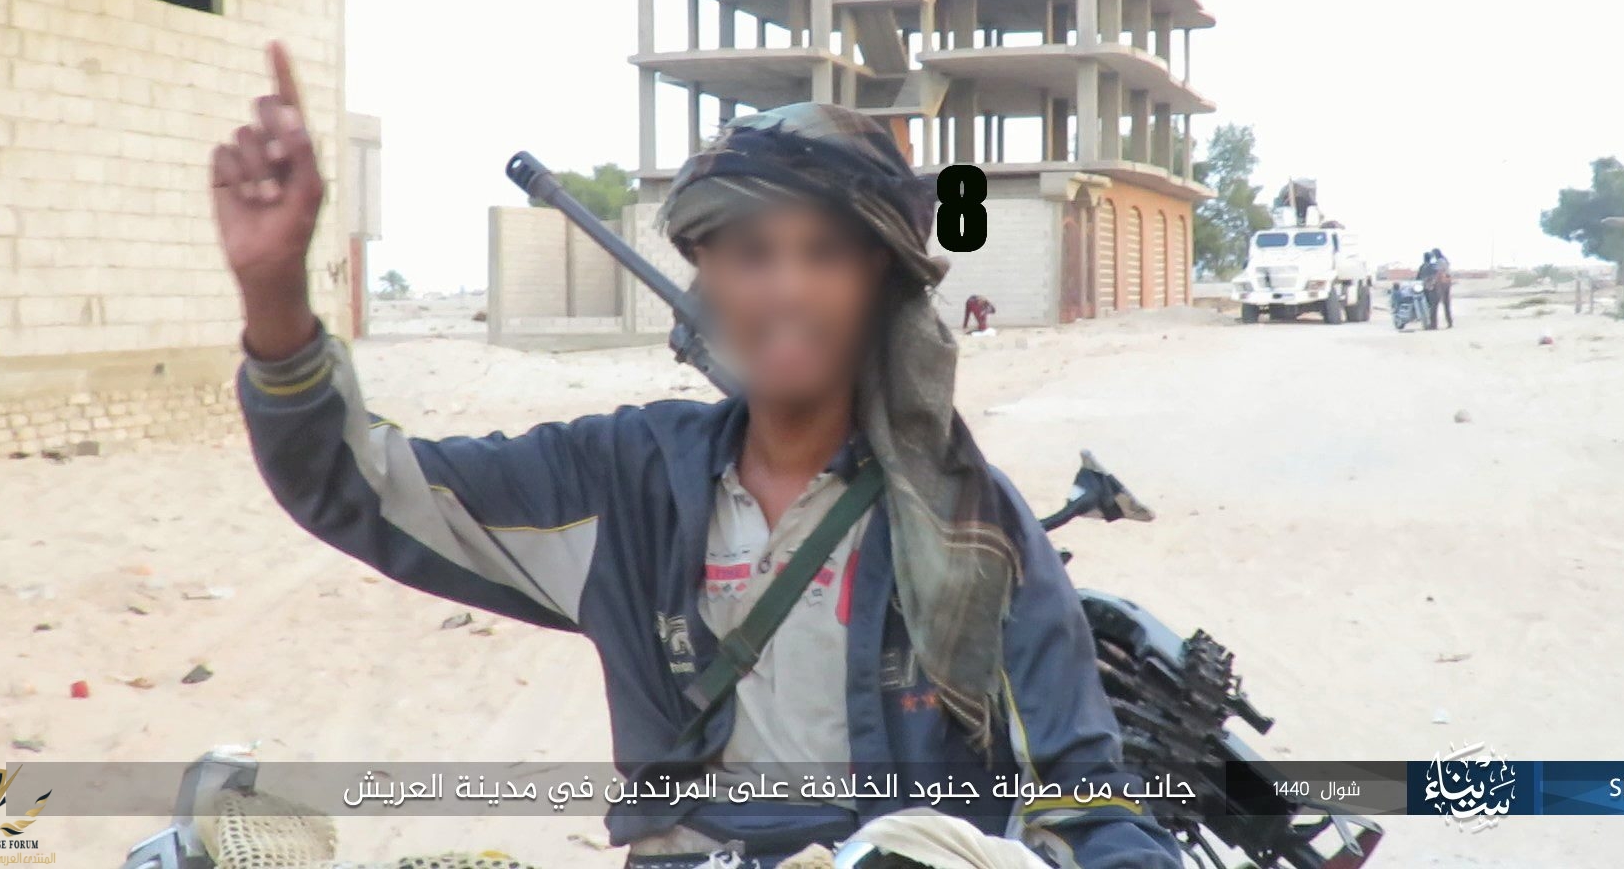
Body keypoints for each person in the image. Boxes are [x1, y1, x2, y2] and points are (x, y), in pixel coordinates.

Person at [211, 44, 1179, 869]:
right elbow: (356, 484)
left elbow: (1088, 802)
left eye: (826, 253)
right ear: (707, 272)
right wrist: (275, 296)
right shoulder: (621, 485)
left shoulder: (972, 524)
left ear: (880, 279)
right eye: (752, 254)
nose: (787, 288)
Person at [1416, 252, 1442, 329]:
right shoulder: (1433, 266)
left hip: (1425, 289)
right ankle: (1433, 324)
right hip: (1433, 288)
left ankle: (1429, 324)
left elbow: (1417, 278)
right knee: (1433, 307)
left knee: (1428, 307)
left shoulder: (1422, 266)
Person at [1430, 248, 1454, 328]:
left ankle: (1434, 324)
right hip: (1447, 283)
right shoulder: (1445, 261)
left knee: (1435, 304)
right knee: (1446, 304)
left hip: (1441, 284)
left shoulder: (1439, 261)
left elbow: (1439, 273)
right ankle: (1449, 322)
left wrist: (1434, 283)